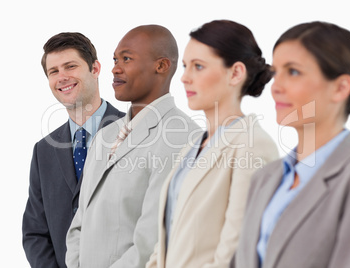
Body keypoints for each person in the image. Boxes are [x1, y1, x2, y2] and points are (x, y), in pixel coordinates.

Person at [231, 21, 350, 268]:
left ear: (341, 87)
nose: (275, 87)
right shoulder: (265, 178)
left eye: (294, 72)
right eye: (276, 72)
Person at [146, 20, 279, 268]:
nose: (184, 78)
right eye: (185, 66)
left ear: (236, 73)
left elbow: (237, 252)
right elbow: (170, 234)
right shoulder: (193, 145)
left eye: (198, 66)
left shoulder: (253, 145)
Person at [65, 24, 200, 268]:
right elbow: (79, 223)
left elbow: (154, 241)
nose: (115, 69)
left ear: (161, 66)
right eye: (115, 59)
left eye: (126, 59)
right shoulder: (105, 136)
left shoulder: (184, 137)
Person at [22, 33, 125, 268]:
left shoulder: (135, 133)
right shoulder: (44, 151)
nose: (62, 77)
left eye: (71, 66)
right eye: (54, 71)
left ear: (95, 68)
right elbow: (35, 232)